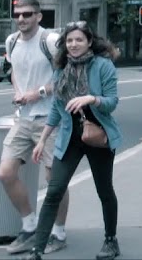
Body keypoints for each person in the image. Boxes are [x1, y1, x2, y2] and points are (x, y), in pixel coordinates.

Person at [23, 21, 122, 260]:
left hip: (98, 135)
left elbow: (112, 102)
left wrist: (91, 99)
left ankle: (111, 241)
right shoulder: (61, 69)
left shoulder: (103, 66)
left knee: (104, 190)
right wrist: (42, 140)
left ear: (89, 42)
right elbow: (56, 109)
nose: (74, 44)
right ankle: (37, 250)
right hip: (70, 137)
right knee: (54, 190)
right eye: (69, 41)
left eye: (79, 40)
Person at [0, 0, 69, 255]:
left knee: (54, 180)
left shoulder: (50, 41)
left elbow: (66, 77)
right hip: (23, 118)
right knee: (5, 173)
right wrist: (18, 91)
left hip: (51, 119)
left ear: (39, 16)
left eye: (27, 14)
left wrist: (37, 93)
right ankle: (30, 226)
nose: (21, 19)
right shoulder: (12, 41)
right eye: (17, 14)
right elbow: (15, 71)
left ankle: (58, 233)